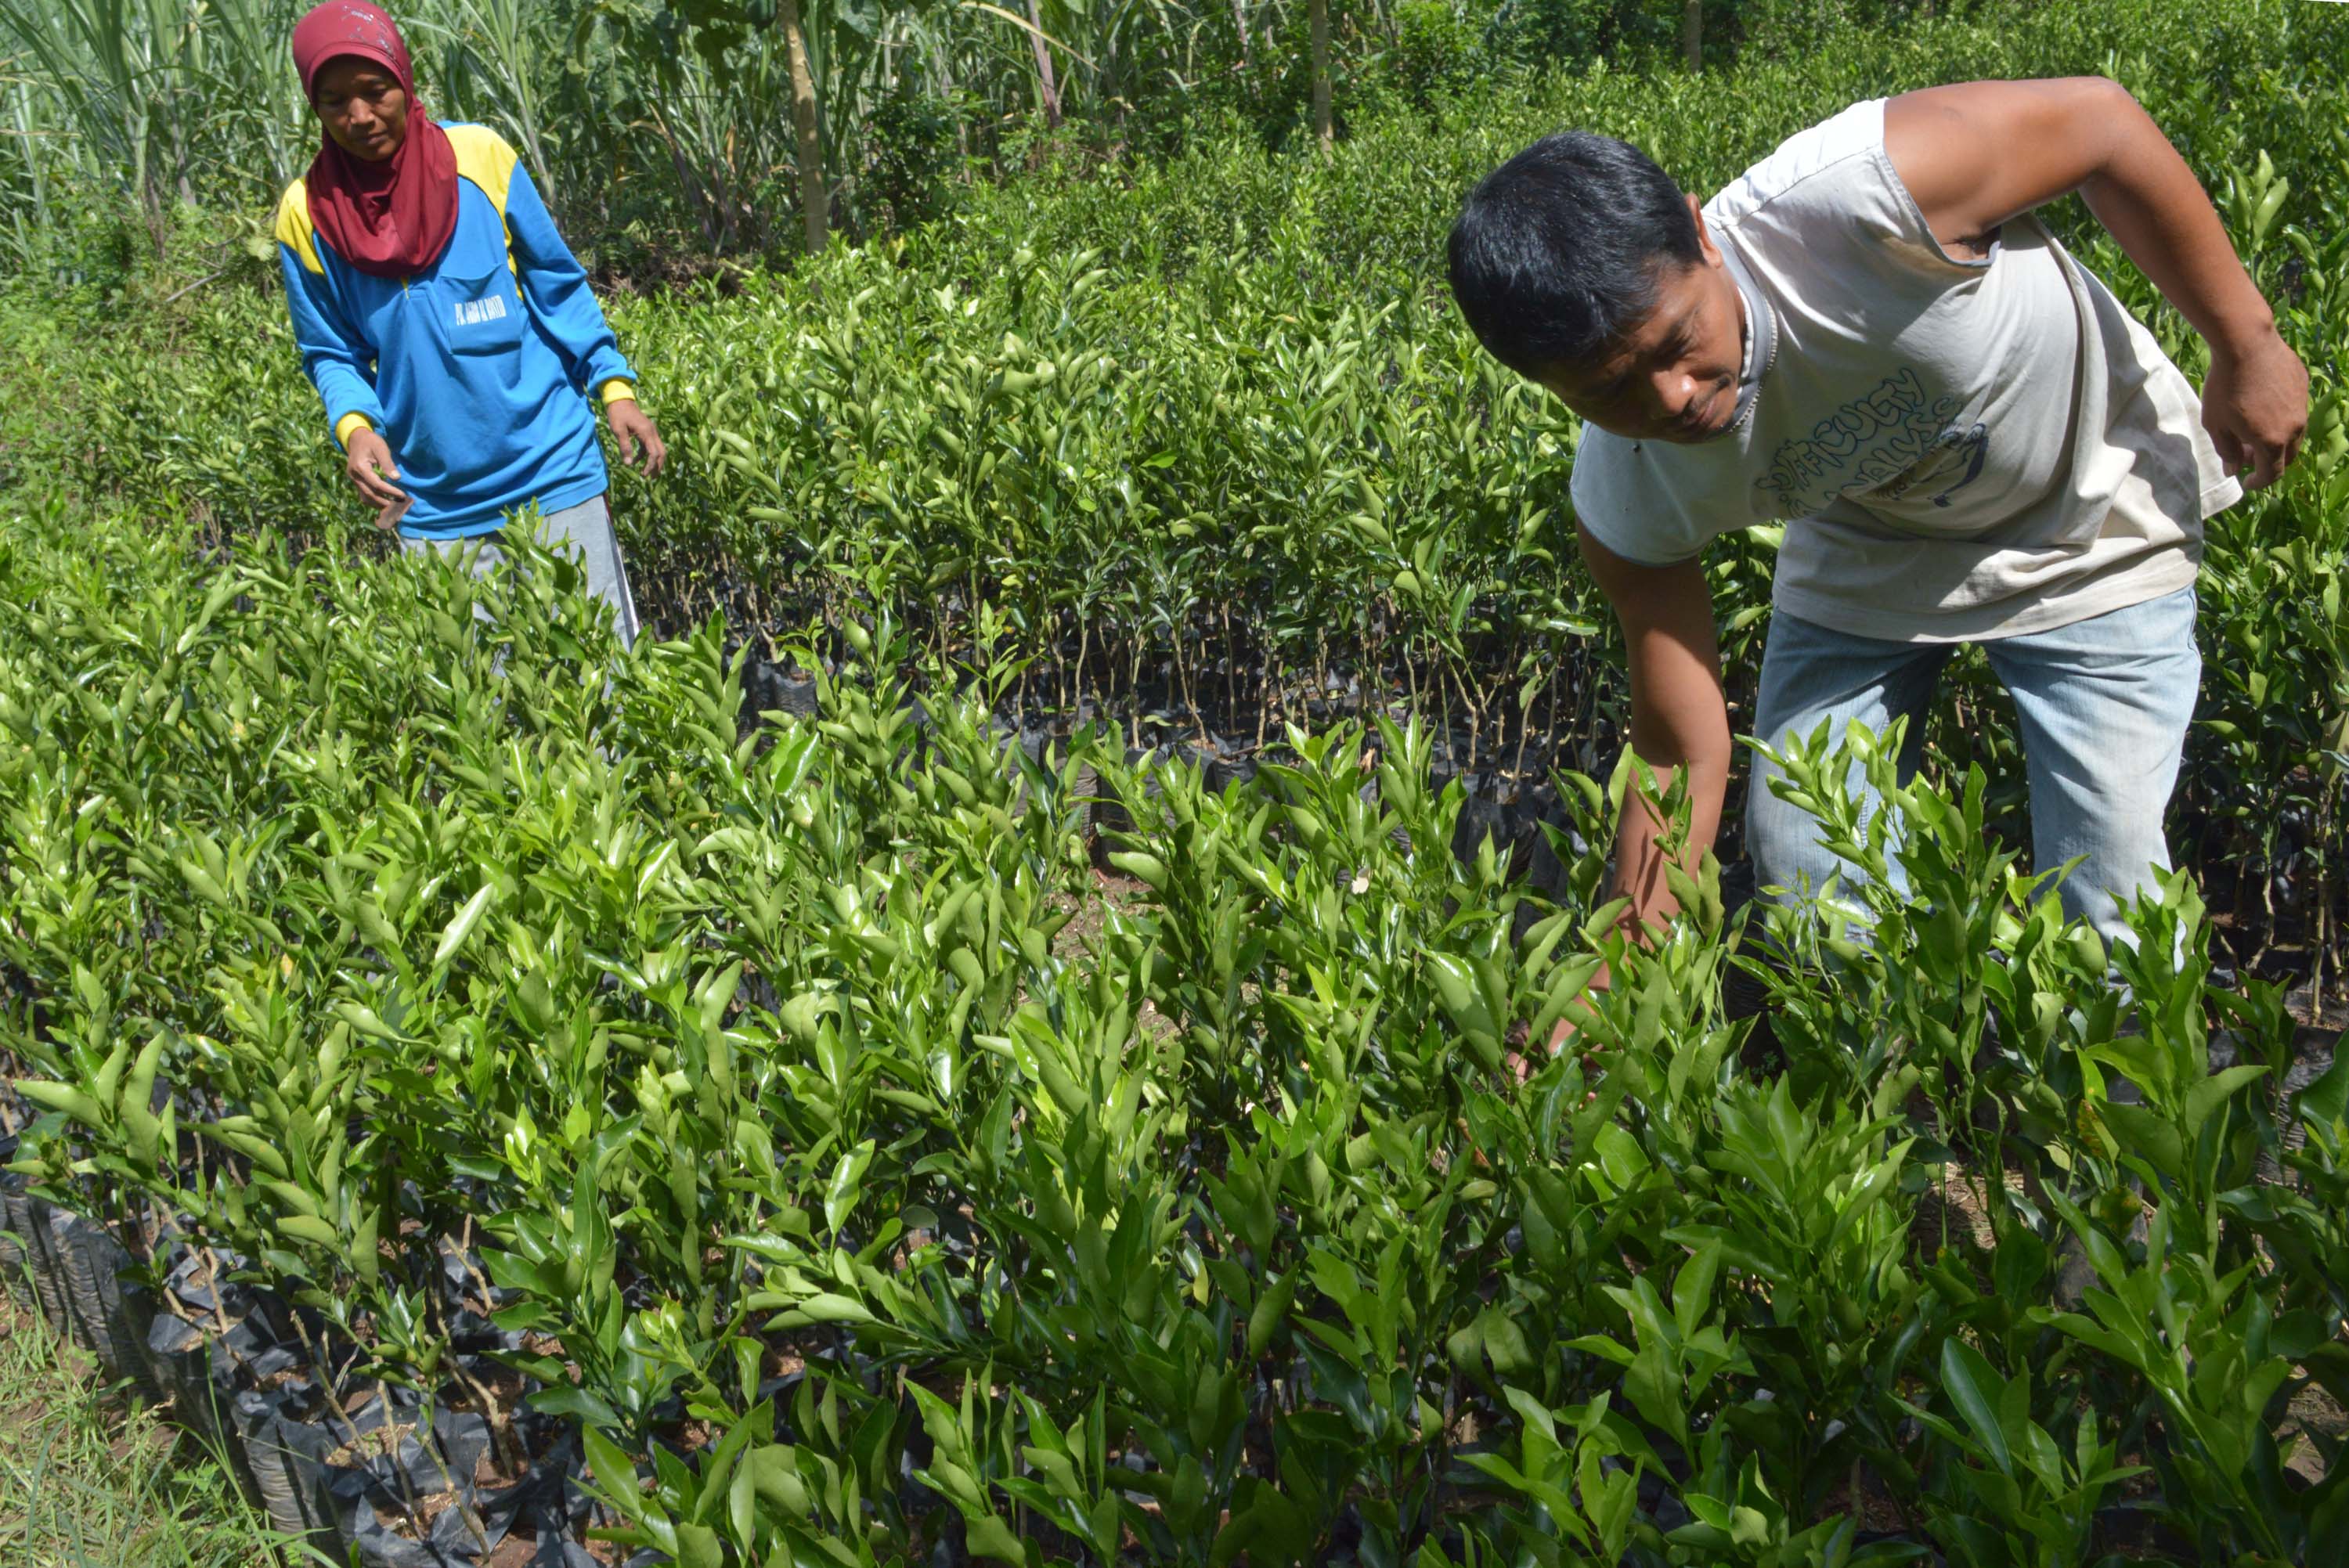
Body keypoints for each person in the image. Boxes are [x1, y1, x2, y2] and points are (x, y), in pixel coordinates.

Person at [1448, 79, 2308, 1043]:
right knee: (1808, 866)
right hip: (1870, 539)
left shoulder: (1865, 194)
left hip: (2090, 504)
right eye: (1611, 390)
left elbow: (2104, 122)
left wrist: (2249, 339)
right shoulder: (1628, 491)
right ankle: (1907, 1100)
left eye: (1679, 341)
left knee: (2114, 892)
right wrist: (1612, 985)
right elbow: (1677, 748)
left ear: (1702, 232)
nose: (1676, 398)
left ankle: (2128, 1157)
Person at [274, 1, 665, 647]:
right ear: (314, 108)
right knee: (492, 720)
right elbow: (330, 350)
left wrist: (614, 387)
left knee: (607, 685)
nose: (359, 116)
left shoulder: (479, 157)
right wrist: (355, 427)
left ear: (405, 77)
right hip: (435, 504)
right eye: (334, 101)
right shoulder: (306, 214)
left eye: (375, 91)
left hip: (553, 472)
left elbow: (556, 286)